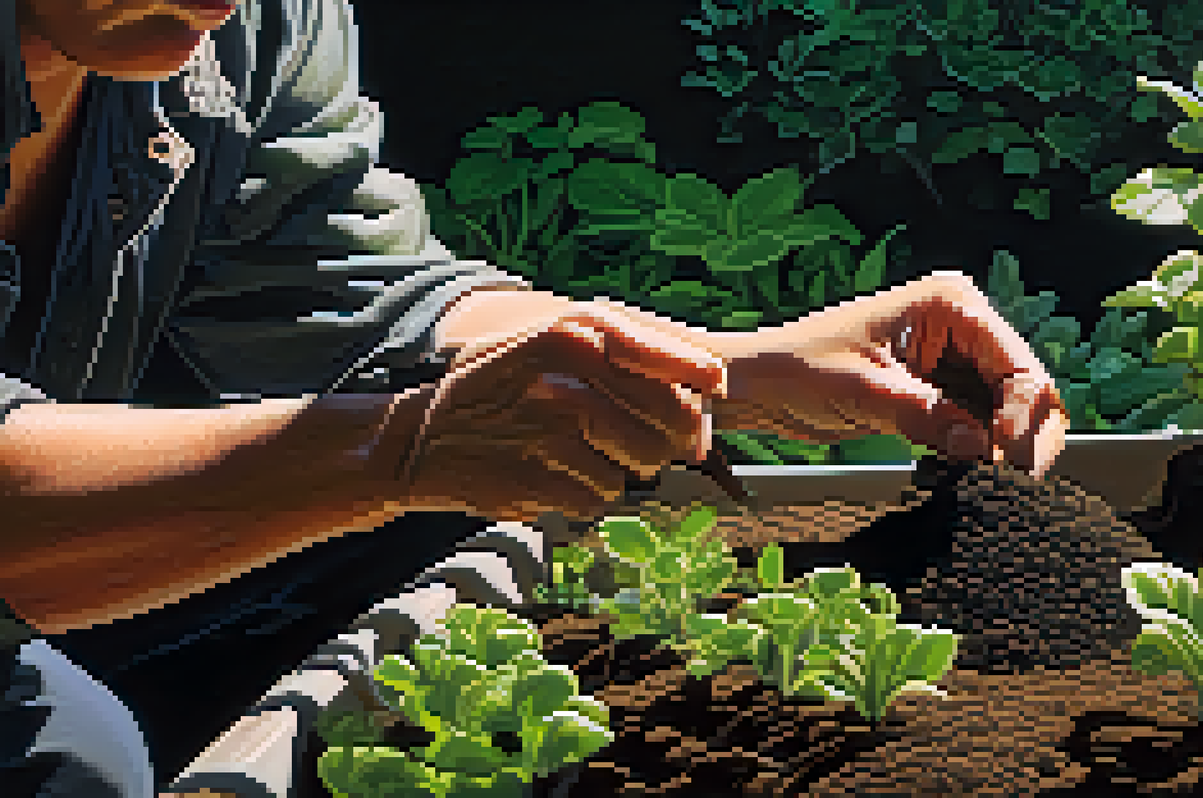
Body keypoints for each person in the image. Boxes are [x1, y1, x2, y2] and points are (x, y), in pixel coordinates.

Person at [0, 0, 1070, 795]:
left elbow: (351, 281)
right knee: (82, 765)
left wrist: (733, 369)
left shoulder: (248, 25)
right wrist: (392, 454)